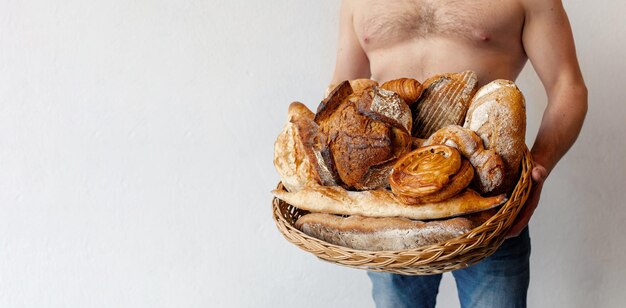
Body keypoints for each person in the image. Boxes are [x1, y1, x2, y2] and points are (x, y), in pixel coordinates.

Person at [328, 0, 588, 307]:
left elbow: (567, 86)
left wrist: (539, 167)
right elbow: (342, 92)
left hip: (488, 202)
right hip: (387, 208)